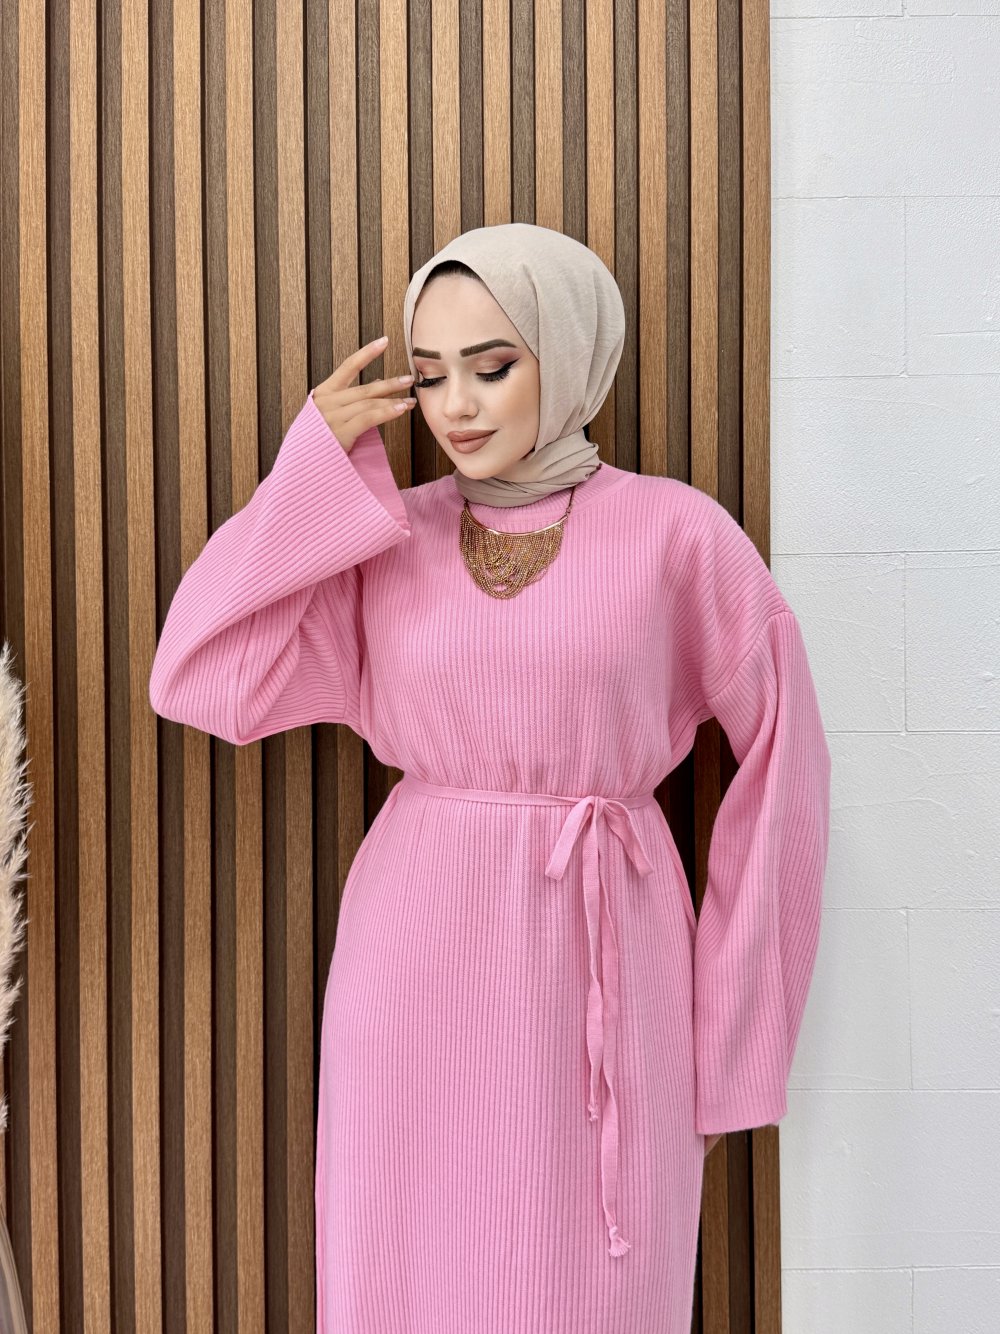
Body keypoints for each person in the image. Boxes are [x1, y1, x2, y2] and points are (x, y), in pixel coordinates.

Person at [149, 222, 831, 1333]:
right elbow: (199, 678)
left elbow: (786, 767)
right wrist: (307, 475)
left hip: (608, 956)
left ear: (566, 352)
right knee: (406, 1271)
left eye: (492, 365)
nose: (455, 406)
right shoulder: (383, 541)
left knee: (597, 1282)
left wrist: (732, 1041)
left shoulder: (678, 535)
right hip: (414, 964)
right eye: (428, 376)